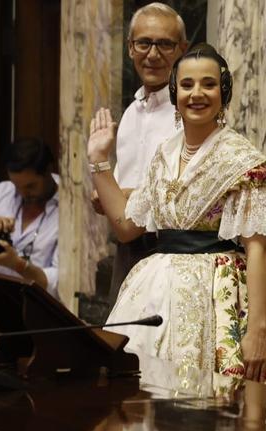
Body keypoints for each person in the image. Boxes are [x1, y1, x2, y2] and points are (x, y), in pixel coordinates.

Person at [86, 44, 266, 394]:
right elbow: (125, 227)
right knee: (140, 406)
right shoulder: (164, 155)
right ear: (175, 92)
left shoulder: (243, 160)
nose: (196, 93)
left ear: (223, 92)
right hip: (156, 294)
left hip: (223, 297)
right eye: (186, 85)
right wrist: (99, 161)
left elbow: (257, 248)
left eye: (208, 84)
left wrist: (257, 331)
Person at [92, 3, 187, 300]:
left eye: (165, 44)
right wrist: (105, 198)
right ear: (131, 48)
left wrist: (122, 195)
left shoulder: (190, 112)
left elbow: (184, 190)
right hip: (127, 249)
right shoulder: (131, 112)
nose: (153, 54)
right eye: (144, 43)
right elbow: (122, 190)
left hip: (172, 251)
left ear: (183, 49)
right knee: (120, 342)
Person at [0, 138, 60, 313]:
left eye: (30, 186)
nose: (23, 193)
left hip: (34, 314)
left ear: (48, 171)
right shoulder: (2, 192)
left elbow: (59, 282)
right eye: (17, 186)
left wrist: (17, 264)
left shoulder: (70, 209)